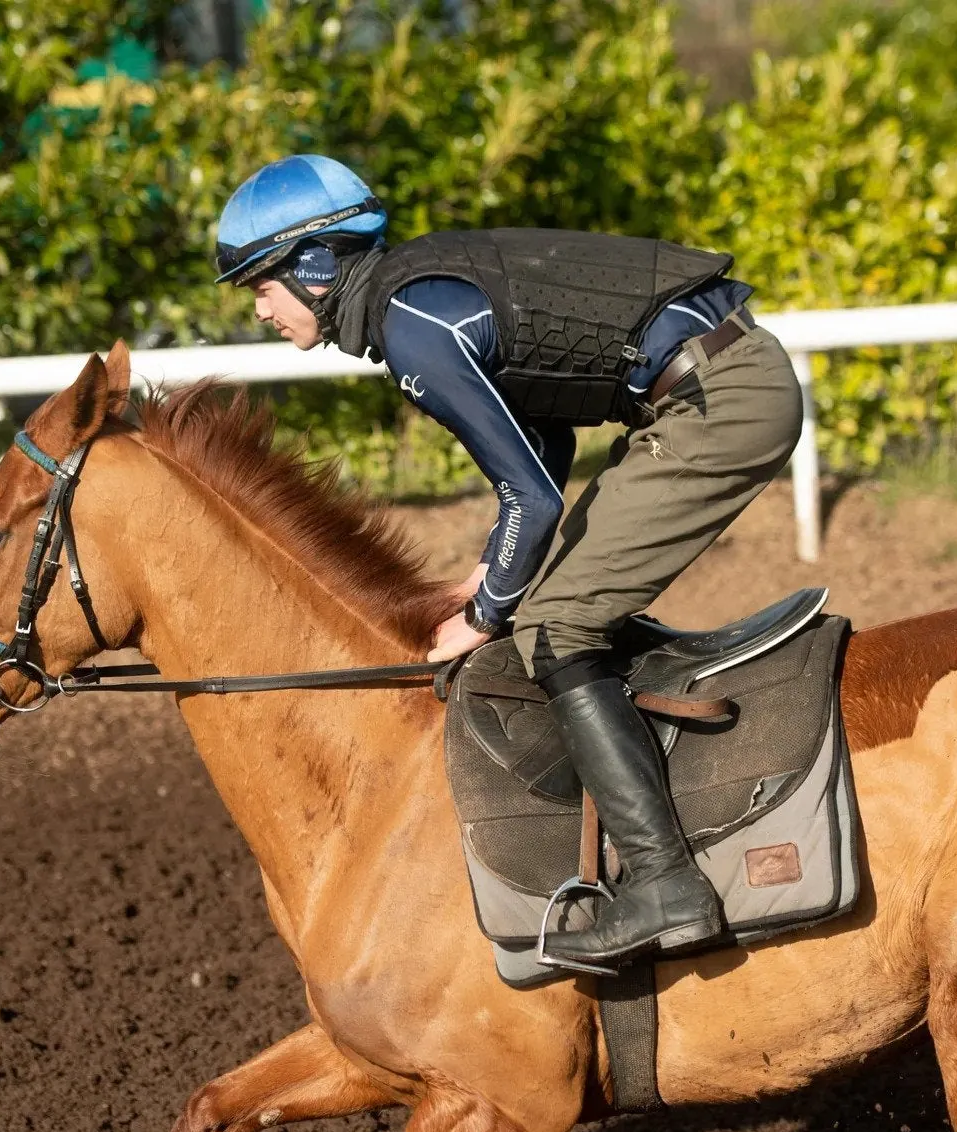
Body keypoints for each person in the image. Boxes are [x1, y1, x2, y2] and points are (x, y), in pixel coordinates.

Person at [215, 155, 804, 970]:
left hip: (720, 401)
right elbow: (551, 434)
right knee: (547, 598)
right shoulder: (418, 299)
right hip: (715, 384)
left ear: (316, 266)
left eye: (262, 283)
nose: (259, 309)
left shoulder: (411, 325)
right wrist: (490, 575)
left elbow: (533, 490)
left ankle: (668, 885)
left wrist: (486, 613)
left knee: (556, 626)